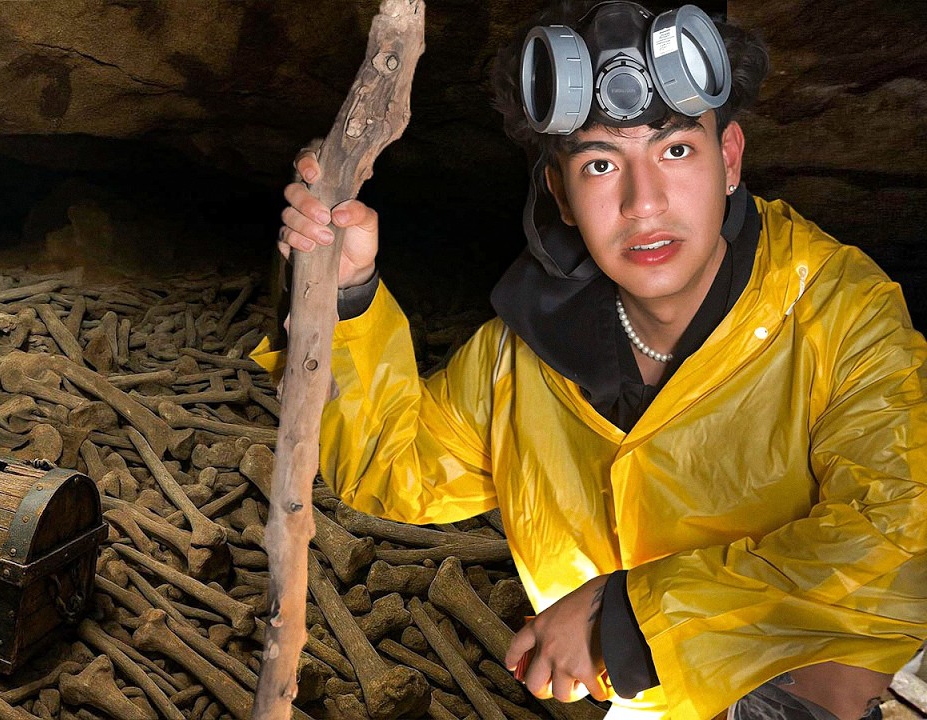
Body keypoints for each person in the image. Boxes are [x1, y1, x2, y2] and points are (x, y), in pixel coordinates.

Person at [255, 2, 927, 719]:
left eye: (675, 151)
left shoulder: (840, 312)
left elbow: (899, 532)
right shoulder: (521, 357)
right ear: (561, 196)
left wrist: (629, 614)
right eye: (601, 164)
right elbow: (394, 471)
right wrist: (344, 297)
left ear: (729, 158)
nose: (644, 204)